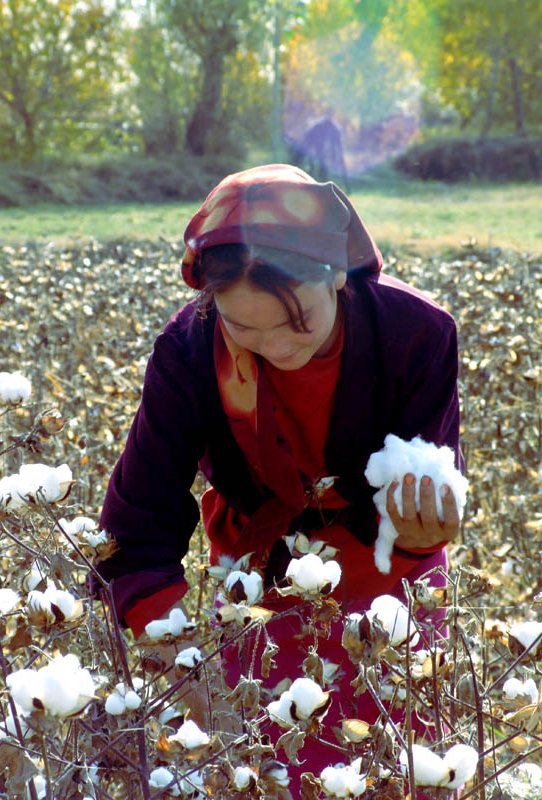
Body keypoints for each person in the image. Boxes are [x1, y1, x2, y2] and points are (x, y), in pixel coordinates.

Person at [94, 163, 463, 785]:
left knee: (399, 765)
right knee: (266, 763)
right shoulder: (188, 352)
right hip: (257, 580)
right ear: (211, 304)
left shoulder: (415, 332)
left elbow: (422, 494)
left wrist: (426, 530)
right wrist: (187, 664)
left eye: (298, 323)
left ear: (338, 275)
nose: (278, 349)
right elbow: (135, 528)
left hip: (390, 570)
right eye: (244, 328)